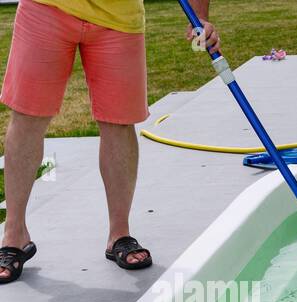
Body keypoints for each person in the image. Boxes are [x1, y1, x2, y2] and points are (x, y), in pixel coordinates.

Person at [0, 0, 221, 284]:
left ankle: (120, 234)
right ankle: (14, 234)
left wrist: (198, 19)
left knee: (118, 122)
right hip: (46, 8)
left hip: (119, 17)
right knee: (28, 116)